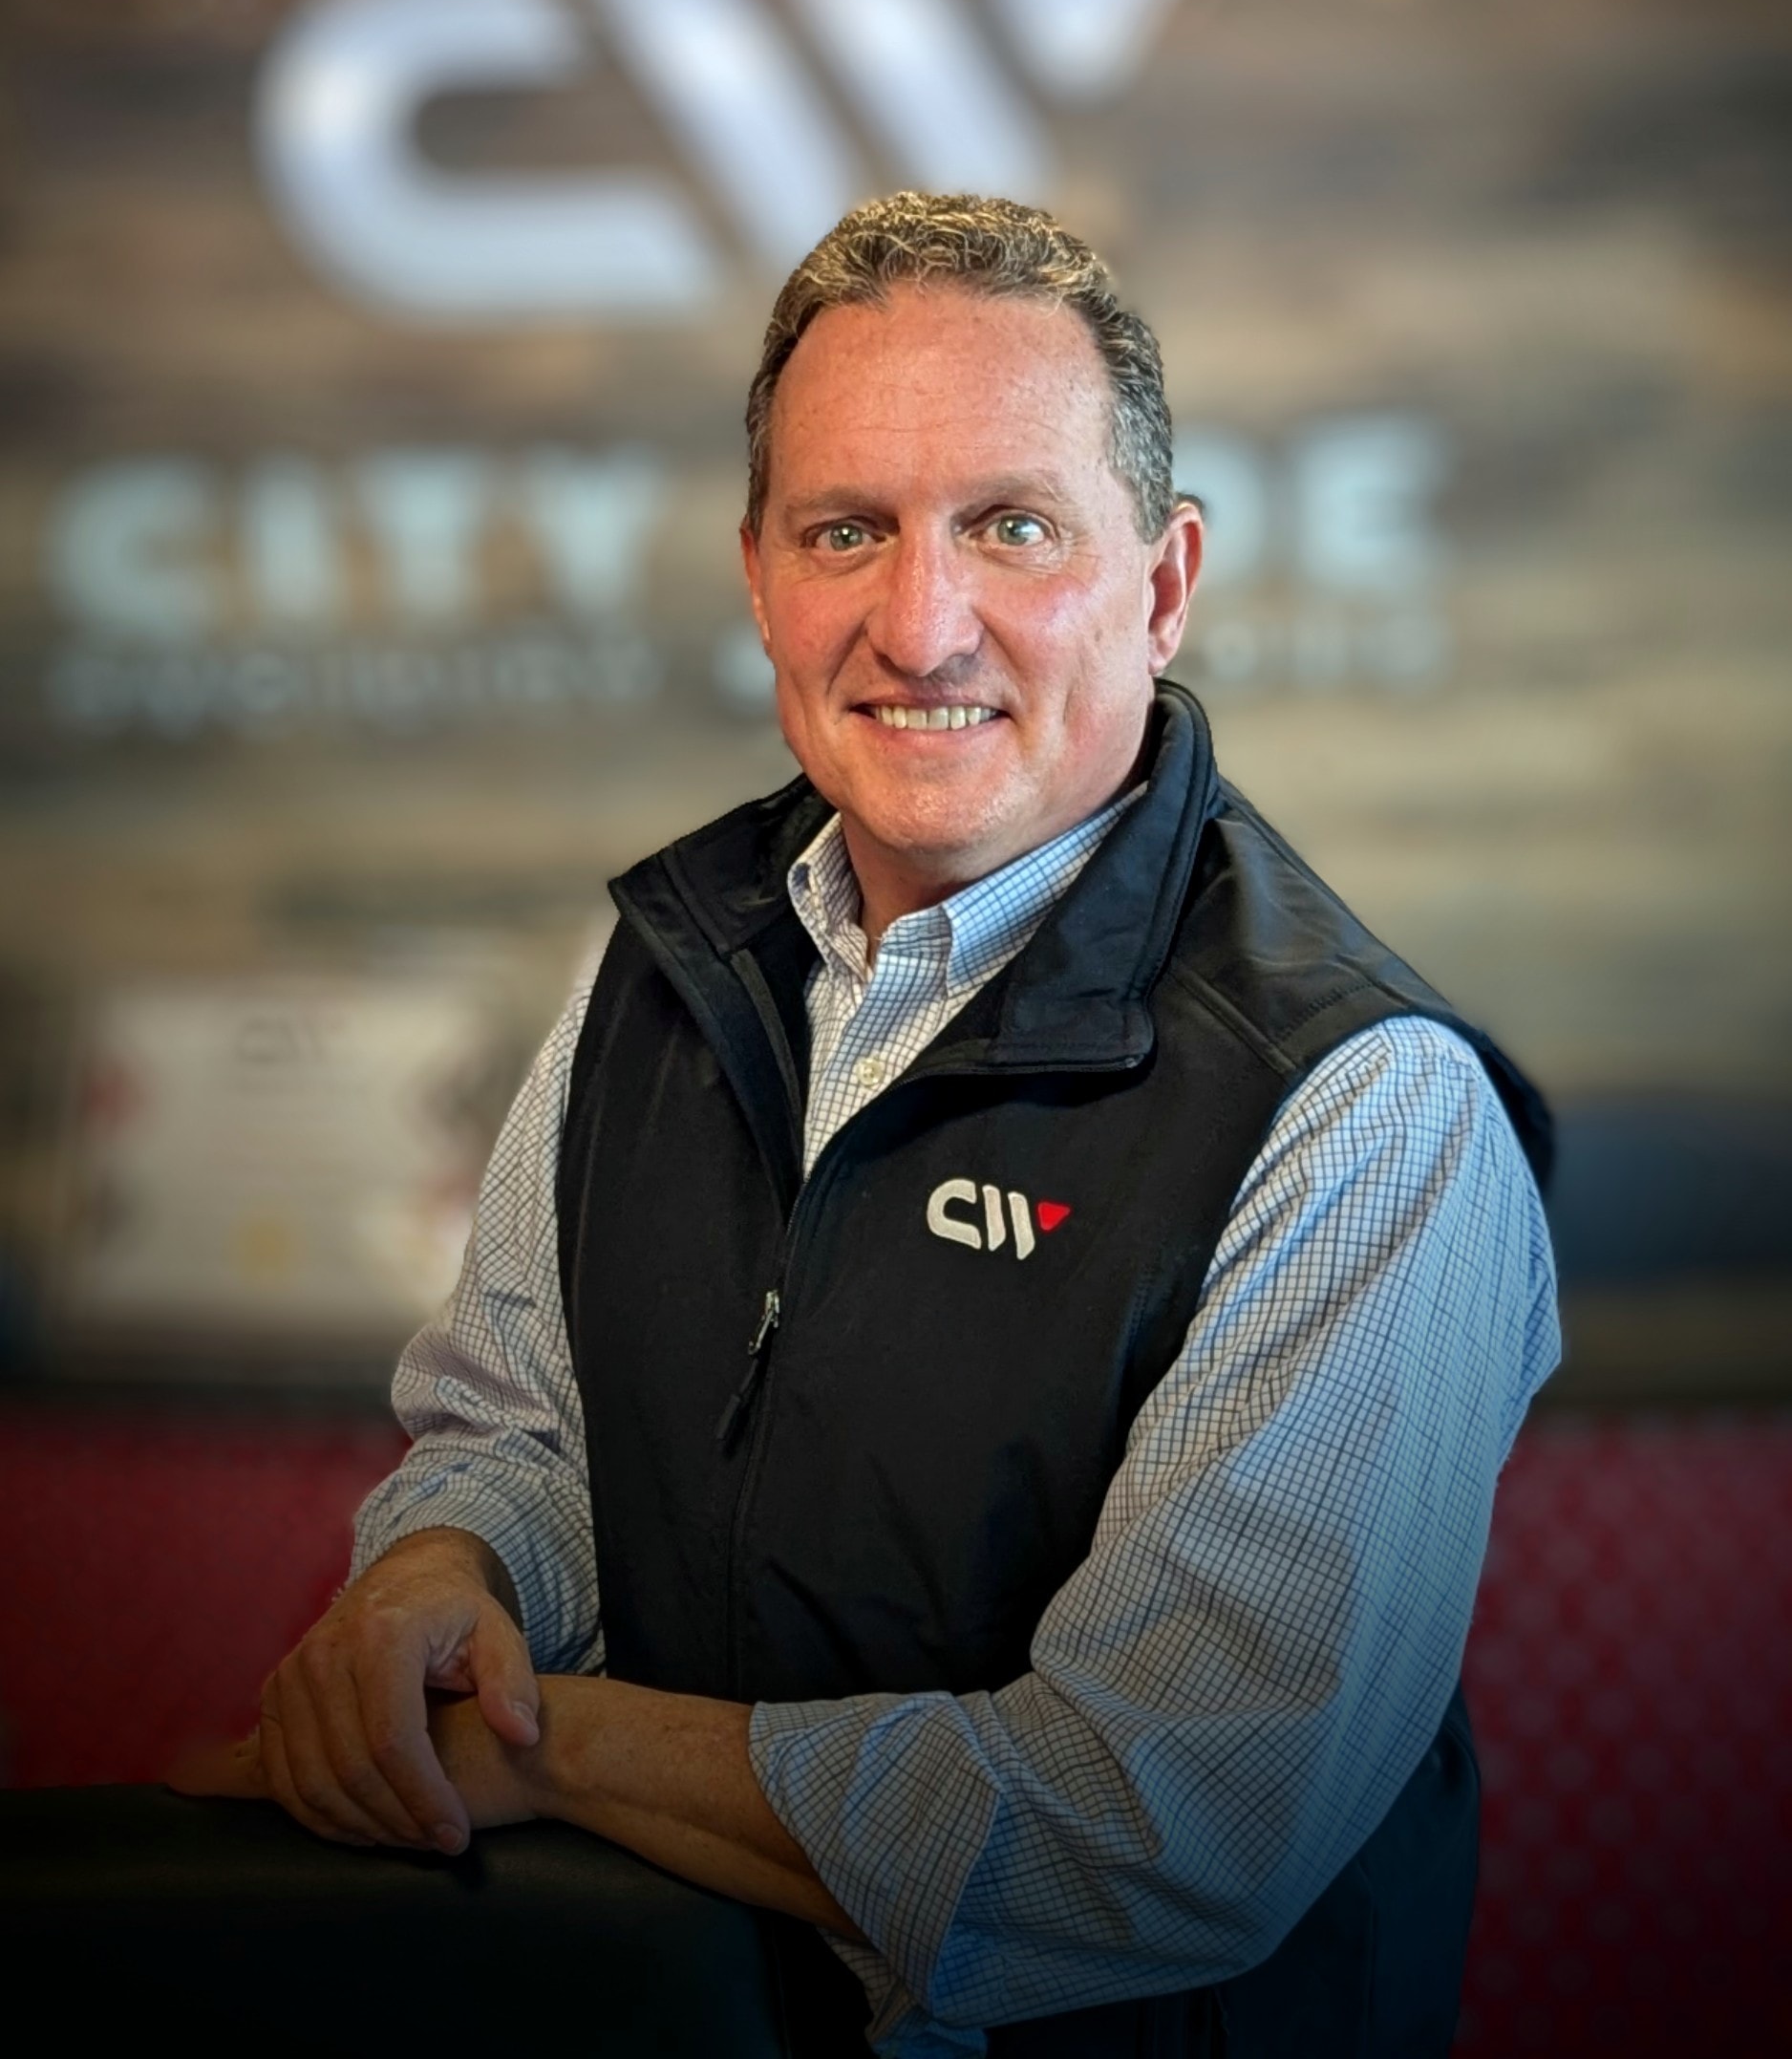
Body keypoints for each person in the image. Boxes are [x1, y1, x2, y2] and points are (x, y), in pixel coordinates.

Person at [191, 193, 1558, 2056]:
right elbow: (521, 1431)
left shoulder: (1367, 1111)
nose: (920, 628)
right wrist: (448, 1573)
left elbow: (1157, 1827)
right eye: (847, 530)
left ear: (1161, 585)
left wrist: (551, 1746)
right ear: (759, 576)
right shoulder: (658, 969)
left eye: (1011, 527)